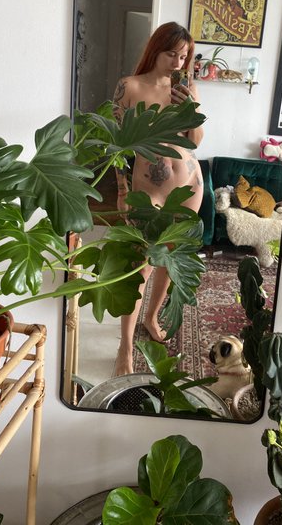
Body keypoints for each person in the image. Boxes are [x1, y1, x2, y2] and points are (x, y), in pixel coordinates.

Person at [112, 21, 204, 376]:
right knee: (139, 267)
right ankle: (125, 345)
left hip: (189, 186)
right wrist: (122, 191)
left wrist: (191, 108)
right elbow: (117, 146)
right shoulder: (129, 87)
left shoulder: (187, 89)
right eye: (171, 54)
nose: (178, 63)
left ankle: (150, 318)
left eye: (184, 56)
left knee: (169, 259)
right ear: (155, 50)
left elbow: (195, 142)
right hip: (147, 191)